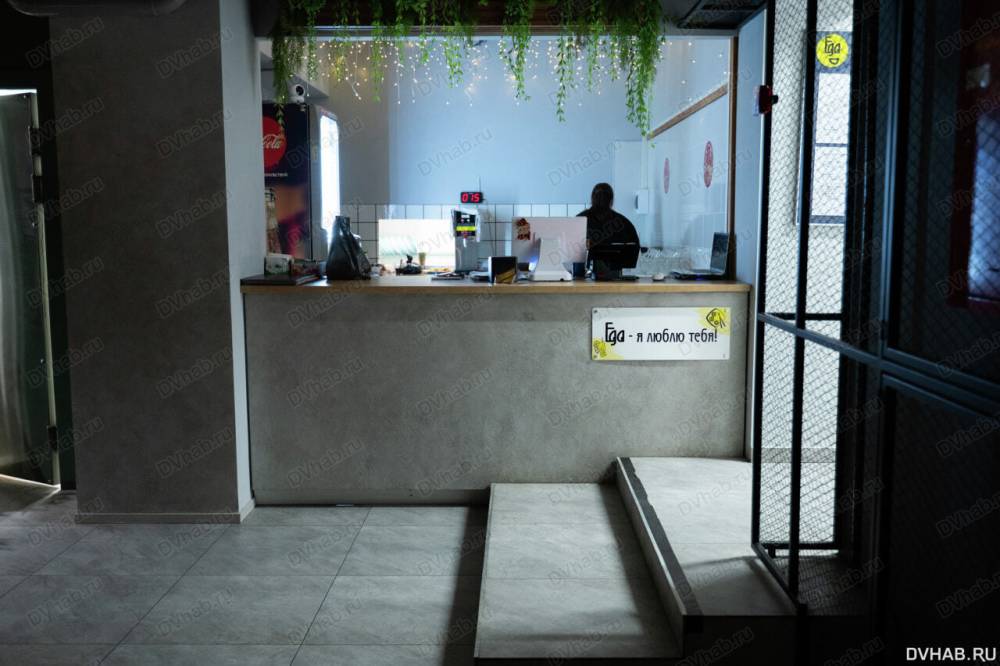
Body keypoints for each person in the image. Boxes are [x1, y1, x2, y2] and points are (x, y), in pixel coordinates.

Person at [576, 183, 639, 252]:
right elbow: (635, 249)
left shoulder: (579, 220)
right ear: (611, 201)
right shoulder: (624, 223)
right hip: (618, 258)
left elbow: (571, 251)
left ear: (592, 199)